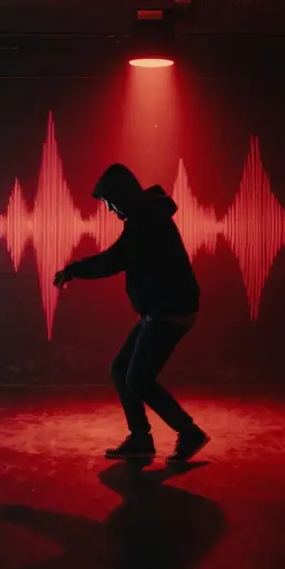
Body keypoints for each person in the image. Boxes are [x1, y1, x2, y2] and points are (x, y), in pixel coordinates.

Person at [53, 163, 210, 462]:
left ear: (121, 197)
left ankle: (189, 433)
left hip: (168, 312)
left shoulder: (145, 223)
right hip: (160, 311)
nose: (111, 210)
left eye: (110, 203)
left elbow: (112, 261)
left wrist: (72, 270)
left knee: (137, 378)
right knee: (121, 370)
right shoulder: (146, 217)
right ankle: (141, 439)